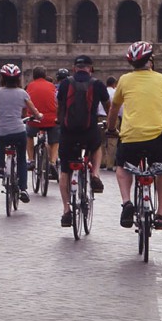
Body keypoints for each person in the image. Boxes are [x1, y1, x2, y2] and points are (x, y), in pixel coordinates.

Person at [107, 41, 162, 230]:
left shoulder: (124, 80)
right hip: (158, 138)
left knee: (122, 167)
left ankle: (127, 202)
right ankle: (161, 214)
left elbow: (114, 107)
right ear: (150, 60)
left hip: (131, 137)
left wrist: (111, 128)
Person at [57, 55, 110, 227]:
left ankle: (66, 210)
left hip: (68, 132)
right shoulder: (97, 84)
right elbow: (108, 105)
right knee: (96, 147)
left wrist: (60, 123)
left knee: (65, 170)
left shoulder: (65, 83)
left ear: (74, 68)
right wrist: (109, 122)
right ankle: (95, 175)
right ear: (91, 68)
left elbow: (60, 105)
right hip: (89, 131)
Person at [0, 63, 43, 203]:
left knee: (0, 140)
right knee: (21, 158)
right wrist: (39, 116)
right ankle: (23, 189)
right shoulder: (22, 93)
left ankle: (1, 167)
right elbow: (33, 110)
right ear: (18, 79)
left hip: (2, 131)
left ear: (2, 78)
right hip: (19, 132)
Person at [25, 65, 60, 179]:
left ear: (33, 75)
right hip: (51, 119)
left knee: (29, 135)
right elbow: (57, 102)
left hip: (34, 119)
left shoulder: (30, 86)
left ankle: (30, 160)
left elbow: (26, 103)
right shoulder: (52, 86)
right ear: (45, 75)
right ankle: (53, 162)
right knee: (55, 140)